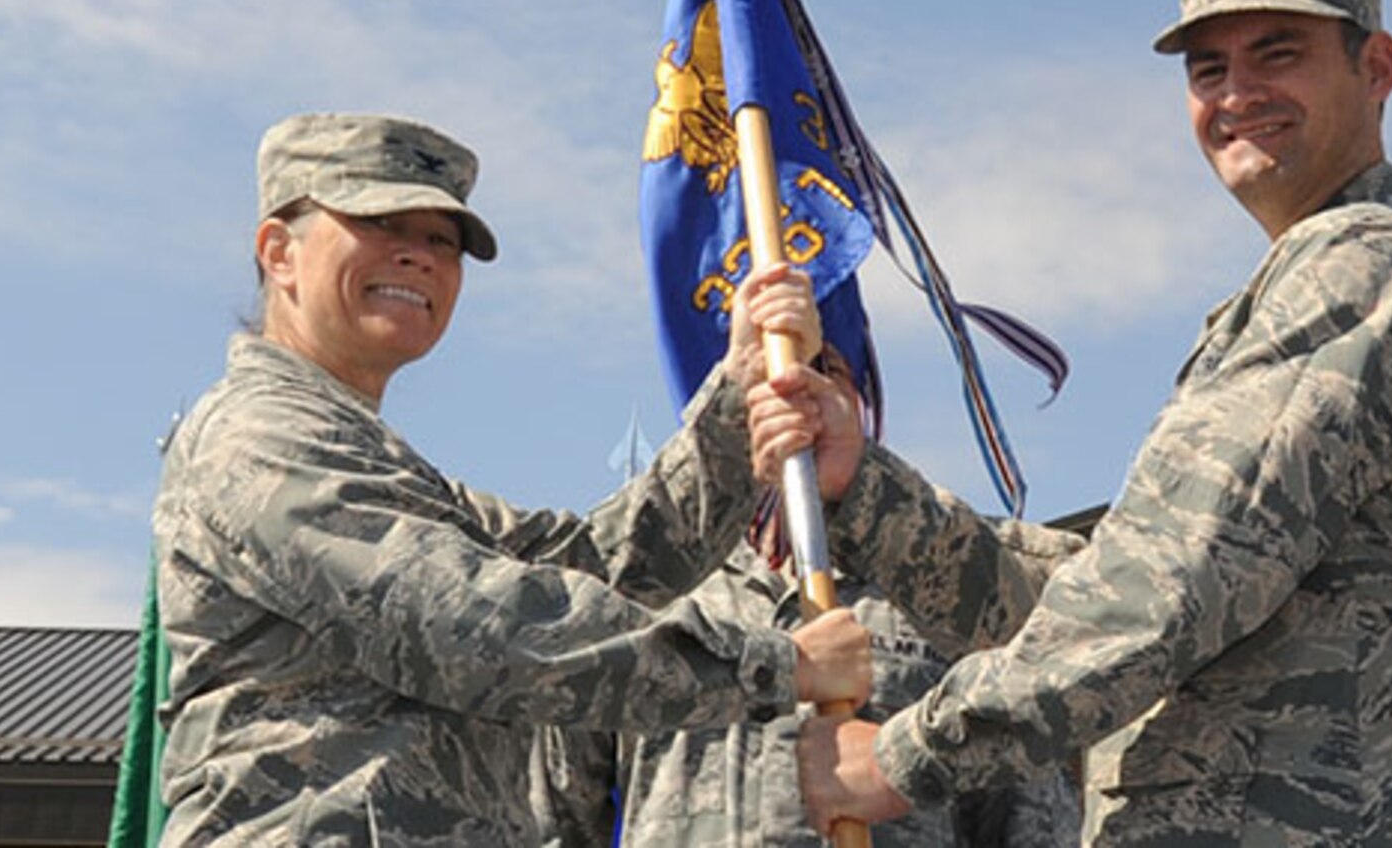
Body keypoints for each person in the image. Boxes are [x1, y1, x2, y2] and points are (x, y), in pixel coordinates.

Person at [761, 0, 1392, 845]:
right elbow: (1105, 587)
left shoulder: (1370, 264)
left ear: (1377, 68)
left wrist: (899, 760)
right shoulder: (1300, 287)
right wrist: (868, 490)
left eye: (1277, 54)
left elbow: (1175, 580)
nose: (1238, 96)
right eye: (1209, 70)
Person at [151, 112, 871, 845]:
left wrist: (738, 391)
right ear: (278, 251)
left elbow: (604, 566)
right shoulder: (259, 437)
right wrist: (775, 666)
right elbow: (468, 620)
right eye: (383, 223)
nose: (419, 257)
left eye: (443, 241)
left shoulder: (391, 473)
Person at [531, 537, 1086, 846]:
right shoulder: (643, 596)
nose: (794, 384)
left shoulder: (951, 599)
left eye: (827, 367)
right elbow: (556, 822)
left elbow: (1028, 821)